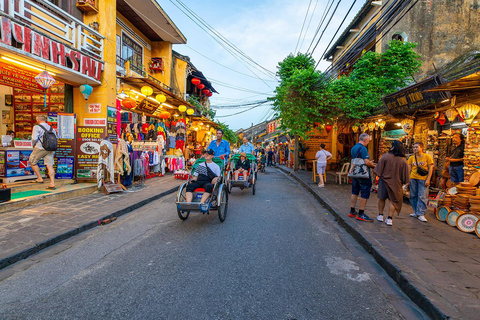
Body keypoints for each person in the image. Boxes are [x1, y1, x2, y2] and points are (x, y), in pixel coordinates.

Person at [374, 140, 410, 226]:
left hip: (384, 181)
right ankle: (389, 218)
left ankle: (380, 215)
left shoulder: (386, 156)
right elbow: (405, 175)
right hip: (397, 183)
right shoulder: (403, 160)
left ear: (393, 147)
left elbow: (378, 169)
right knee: (393, 200)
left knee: (382, 198)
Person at [349, 133, 376, 222]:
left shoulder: (354, 148)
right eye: (368, 140)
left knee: (354, 191)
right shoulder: (363, 148)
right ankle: (361, 213)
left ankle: (352, 211)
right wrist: (373, 166)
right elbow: (366, 162)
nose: (368, 142)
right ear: (365, 140)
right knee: (364, 192)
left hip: (355, 173)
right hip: (363, 174)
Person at [407, 142, 434, 222]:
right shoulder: (411, 157)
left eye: (416, 147)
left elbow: (430, 168)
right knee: (413, 195)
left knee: (422, 196)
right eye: (414, 147)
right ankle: (416, 211)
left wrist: (428, 179)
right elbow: (409, 169)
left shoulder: (427, 157)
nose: (415, 149)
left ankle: (421, 213)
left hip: (423, 179)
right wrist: (408, 179)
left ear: (422, 148)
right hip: (413, 178)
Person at [29, 115, 57, 189]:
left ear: (37, 120)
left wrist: (31, 144)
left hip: (40, 148)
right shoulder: (52, 128)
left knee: (32, 161)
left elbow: (34, 138)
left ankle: (39, 178)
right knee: (49, 165)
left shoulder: (36, 127)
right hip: (51, 148)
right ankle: (52, 183)